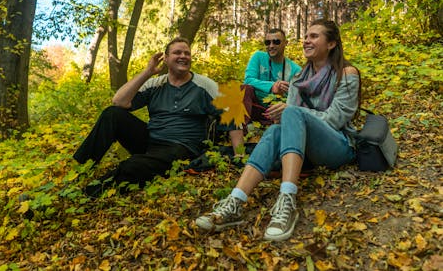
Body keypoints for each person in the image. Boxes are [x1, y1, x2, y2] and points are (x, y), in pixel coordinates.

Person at [195, 19, 360, 242]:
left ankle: (288, 199)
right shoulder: (298, 78)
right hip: (307, 150)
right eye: (306, 36)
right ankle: (236, 200)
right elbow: (285, 120)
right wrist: (285, 116)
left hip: (338, 145)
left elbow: (336, 119)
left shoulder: (346, 74)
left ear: (331, 44)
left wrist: (292, 111)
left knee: (292, 112)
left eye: (314, 36)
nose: (306, 40)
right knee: (274, 131)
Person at [73, 37, 241, 197]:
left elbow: (233, 115)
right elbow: (119, 101)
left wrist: (240, 156)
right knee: (112, 114)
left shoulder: (204, 85)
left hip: (183, 148)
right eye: (177, 52)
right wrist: (148, 72)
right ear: (166, 59)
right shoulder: (155, 84)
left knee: (133, 165)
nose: (183, 56)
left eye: (187, 53)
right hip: (151, 141)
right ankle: (80, 170)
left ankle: (88, 193)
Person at [242, 28, 302, 126]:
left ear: (285, 43)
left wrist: (286, 91)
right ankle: (240, 131)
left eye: (276, 42)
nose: (271, 46)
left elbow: (299, 97)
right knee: (244, 89)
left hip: (277, 111)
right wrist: (272, 86)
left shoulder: (296, 70)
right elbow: (248, 80)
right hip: (255, 106)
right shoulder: (258, 57)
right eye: (267, 42)